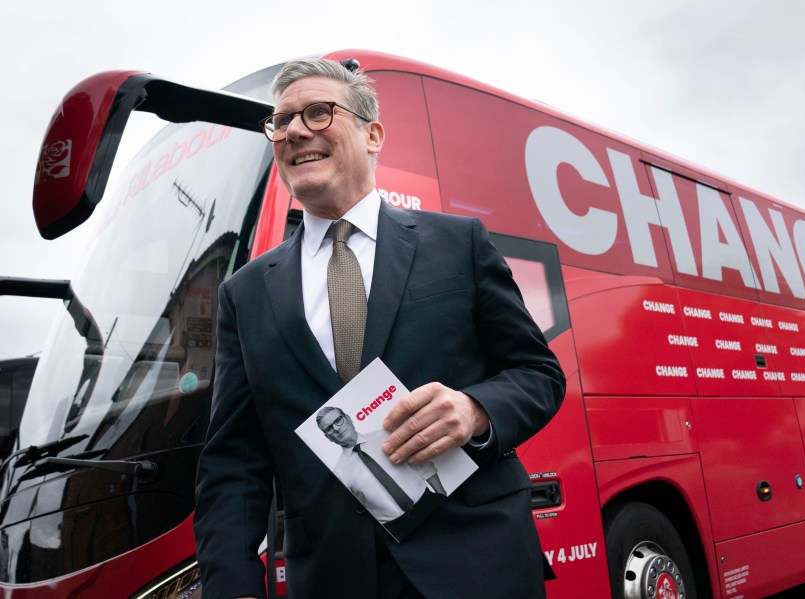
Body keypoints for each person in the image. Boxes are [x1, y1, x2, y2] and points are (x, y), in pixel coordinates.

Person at [193, 57, 565, 598]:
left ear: (373, 135)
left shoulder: (459, 244)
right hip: (334, 579)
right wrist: (234, 587)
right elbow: (234, 459)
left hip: (478, 565)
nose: (294, 131)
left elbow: (538, 374)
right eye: (281, 121)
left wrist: (476, 410)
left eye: (317, 113)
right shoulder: (245, 294)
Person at [316, 406, 446, 540]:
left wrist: (441, 493)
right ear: (328, 437)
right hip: (396, 528)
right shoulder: (339, 473)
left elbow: (420, 463)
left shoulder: (386, 435)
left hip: (428, 501)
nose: (336, 428)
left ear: (348, 418)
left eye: (338, 420)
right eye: (329, 428)